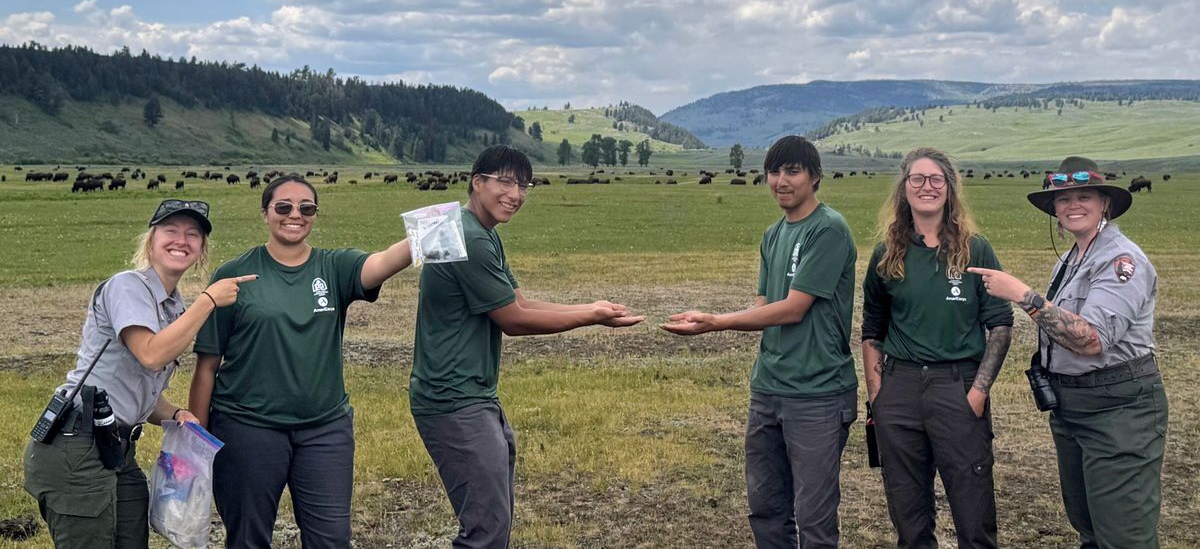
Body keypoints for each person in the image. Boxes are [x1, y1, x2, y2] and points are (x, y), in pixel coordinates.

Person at [411, 145, 643, 549]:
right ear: (476, 181)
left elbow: (520, 302)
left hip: (470, 394)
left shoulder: (479, 232)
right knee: (485, 531)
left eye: (523, 185)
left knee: (491, 522)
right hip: (454, 399)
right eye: (504, 182)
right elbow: (514, 321)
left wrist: (591, 306)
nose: (515, 194)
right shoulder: (470, 238)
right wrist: (591, 317)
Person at [188, 174, 412, 548]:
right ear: (265, 213)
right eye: (284, 207)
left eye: (306, 208)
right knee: (247, 539)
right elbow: (207, 365)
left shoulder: (334, 267)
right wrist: (197, 443)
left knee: (331, 539)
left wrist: (437, 228)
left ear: (315, 215)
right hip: (247, 428)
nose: (295, 215)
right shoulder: (233, 275)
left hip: (325, 430)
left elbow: (384, 262)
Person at [24, 199, 255, 548]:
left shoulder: (173, 305)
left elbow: (138, 392)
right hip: (76, 443)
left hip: (116, 448)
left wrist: (175, 413)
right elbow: (151, 354)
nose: (182, 240)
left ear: (202, 249)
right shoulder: (127, 286)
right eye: (171, 231)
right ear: (150, 241)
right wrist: (207, 301)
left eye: (193, 234)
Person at [663, 135, 857, 549]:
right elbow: (762, 308)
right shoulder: (772, 234)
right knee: (766, 509)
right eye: (774, 171)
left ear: (815, 177)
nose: (781, 181)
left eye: (792, 171)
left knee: (814, 518)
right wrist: (712, 317)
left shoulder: (829, 229)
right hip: (768, 389)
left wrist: (715, 322)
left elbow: (793, 308)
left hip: (818, 392)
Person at [969, 156, 1167, 549]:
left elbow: (1091, 340)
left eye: (1084, 196)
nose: (1074, 205)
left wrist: (1024, 296)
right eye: (1063, 199)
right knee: (1090, 526)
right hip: (1074, 407)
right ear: (1054, 211)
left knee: (1123, 535)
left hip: (1117, 412)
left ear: (1104, 204)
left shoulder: (1119, 260)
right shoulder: (1076, 257)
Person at [861, 147, 1013, 548]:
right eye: (917, 179)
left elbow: (1000, 325)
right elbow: (872, 329)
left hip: (957, 385)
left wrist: (978, 393)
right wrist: (878, 394)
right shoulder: (885, 254)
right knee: (909, 518)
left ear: (949, 188)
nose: (926, 187)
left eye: (935, 180)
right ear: (904, 188)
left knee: (974, 513)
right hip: (900, 387)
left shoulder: (975, 249)